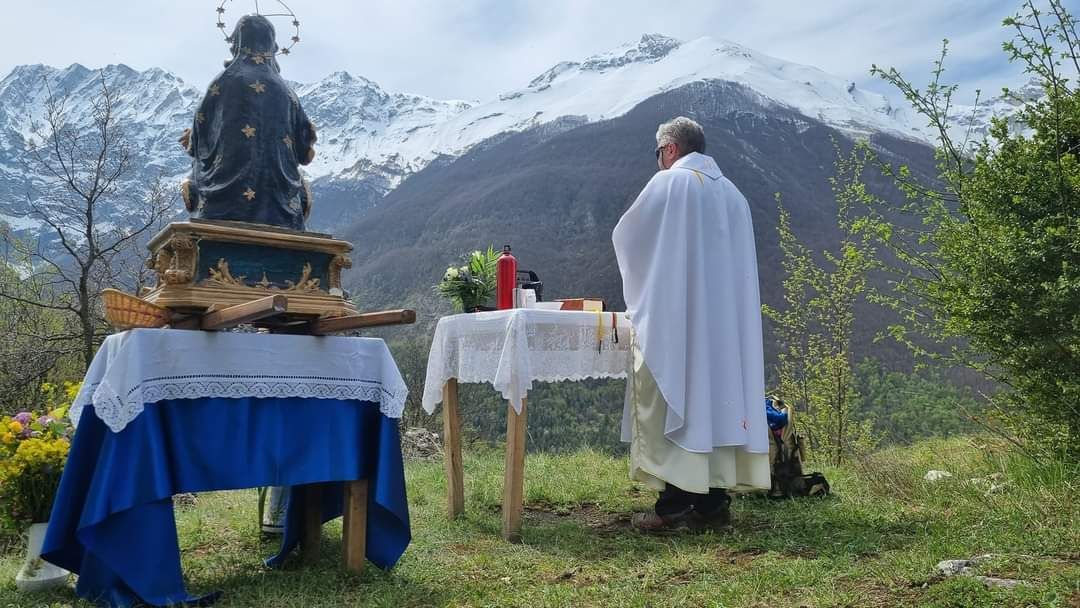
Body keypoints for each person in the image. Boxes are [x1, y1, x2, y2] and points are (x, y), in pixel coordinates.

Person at [612, 116, 771, 531]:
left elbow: (629, 239)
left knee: (679, 399)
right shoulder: (735, 195)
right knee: (717, 405)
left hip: (682, 323)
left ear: (670, 150)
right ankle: (714, 506)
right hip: (725, 329)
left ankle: (674, 508)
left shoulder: (670, 184)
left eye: (659, 154)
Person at [179, 14, 317, 231]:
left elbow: (202, 125)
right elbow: (304, 145)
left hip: (225, 196)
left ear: (238, 42)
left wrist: (193, 138)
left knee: (196, 171)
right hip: (280, 201)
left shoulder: (224, 82)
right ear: (271, 44)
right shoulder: (285, 91)